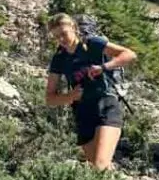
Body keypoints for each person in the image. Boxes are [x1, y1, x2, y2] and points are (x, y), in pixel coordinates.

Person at [45, 13, 136, 171]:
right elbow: (50, 99)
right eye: (56, 37)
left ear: (73, 28)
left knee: (99, 166)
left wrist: (104, 67)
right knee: (100, 168)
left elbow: (129, 54)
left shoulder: (92, 43)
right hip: (82, 112)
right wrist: (70, 96)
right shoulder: (59, 58)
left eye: (63, 34)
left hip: (106, 105)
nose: (61, 40)